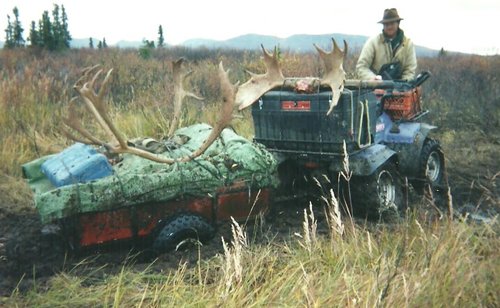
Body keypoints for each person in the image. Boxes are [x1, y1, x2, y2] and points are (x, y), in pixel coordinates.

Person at [356, 8, 417, 81]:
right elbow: (361, 67)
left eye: (392, 23)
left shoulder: (408, 44)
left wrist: (403, 85)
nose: (389, 27)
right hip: (375, 88)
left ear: (398, 23)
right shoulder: (373, 42)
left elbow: (409, 71)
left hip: (399, 88)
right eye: (386, 24)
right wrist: (373, 79)